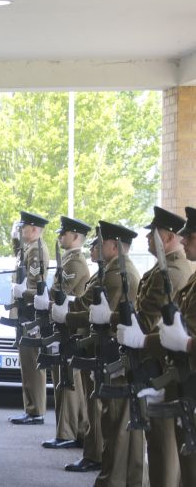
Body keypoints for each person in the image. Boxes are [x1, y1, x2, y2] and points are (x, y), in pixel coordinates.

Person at [59, 220, 144, 486]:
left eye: (101, 241)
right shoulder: (111, 270)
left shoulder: (118, 273)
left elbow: (100, 313)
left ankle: (111, 476)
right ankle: (108, 470)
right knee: (106, 414)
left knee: (114, 419)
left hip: (114, 352)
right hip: (104, 348)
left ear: (113, 245)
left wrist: (65, 316)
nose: (96, 246)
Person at [117, 206, 196, 485]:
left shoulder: (176, 272)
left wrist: (146, 340)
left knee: (174, 456)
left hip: (176, 370)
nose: (185, 240)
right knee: (171, 454)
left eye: (191, 236)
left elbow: (173, 326)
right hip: (172, 371)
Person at [35, 216, 90, 449]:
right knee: (64, 379)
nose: (60, 236)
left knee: (68, 381)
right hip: (64, 325)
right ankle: (73, 429)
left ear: (75, 236)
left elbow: (61, 293)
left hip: (70, 328)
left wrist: (46, 303)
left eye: (64, 233)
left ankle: (68, 432)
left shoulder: (75, 263)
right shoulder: (68, 260)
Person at [52, 232, 103, 472]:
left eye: (97, 246)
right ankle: (82, 440)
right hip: (82, 332)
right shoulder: (98, 273)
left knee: (87, 395)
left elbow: (69, 295)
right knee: (81, 392)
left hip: (87, 336)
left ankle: (78, 437)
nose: (92, 250)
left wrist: (63, 311)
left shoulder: (77, 263)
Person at [8, 211, 50, 425]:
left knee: (32, 363)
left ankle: (36, 411)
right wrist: (15, 239)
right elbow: (19, 258)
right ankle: (31, 408)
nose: (21, 230)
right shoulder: (29, 248)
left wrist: (22, 291)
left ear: (33, 229)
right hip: (25, 311)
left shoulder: (37, 250)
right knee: (27, 362)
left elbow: (35, 285)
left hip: (31, 311)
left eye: (23, 227)